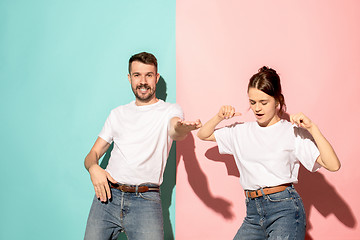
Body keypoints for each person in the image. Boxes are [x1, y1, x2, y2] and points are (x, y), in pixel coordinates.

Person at [197, 66, 341, 240]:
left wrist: (313, 128)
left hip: (285, 210)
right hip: (252, 213)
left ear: (277, 100)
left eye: (264, 102)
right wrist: (219, 116)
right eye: (252, 102)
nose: (257, 108)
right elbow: (203, 134)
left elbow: (333, 165)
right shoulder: (240, 131)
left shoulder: (292, 132)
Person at [84, 52, 201, 240]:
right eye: (137, 75)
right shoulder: (117, 113)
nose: (143, 81)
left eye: (148, 75)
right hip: (107, 197)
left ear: (157, 78)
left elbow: (175, 131)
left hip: (145, 201)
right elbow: (92, 154)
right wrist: (93, 168)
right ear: (129, 78)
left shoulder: (170, 110)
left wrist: (182, 129)